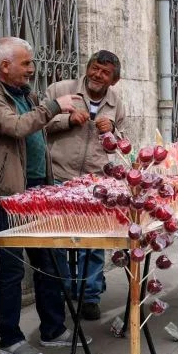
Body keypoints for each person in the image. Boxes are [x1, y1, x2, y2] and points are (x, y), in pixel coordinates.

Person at [0, 37, 85, 354]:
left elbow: (40, 126)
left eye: (31, 62)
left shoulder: (24, 93)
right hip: (9, 199)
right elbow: (17, 127)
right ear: (4, 66)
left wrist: (64, 118)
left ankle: (52, 329)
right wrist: (54, 105)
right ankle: (9, 338)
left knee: (49, 262)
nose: (31, 69)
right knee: (11, 270)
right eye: (25, 63)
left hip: (38, 193)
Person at [45, 50, 127, 321]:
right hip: (59, 175)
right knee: (58, 238)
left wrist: (112, 131)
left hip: (96, 180)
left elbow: (125, 143)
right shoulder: (62, 90)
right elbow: (39, 124)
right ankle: (64, 292)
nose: (97, 75)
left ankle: (90, 296)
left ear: (113, 81)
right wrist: (67, 119)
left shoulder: (117, 103)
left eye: (104, 73)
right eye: (94, 68)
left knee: (93, 242)